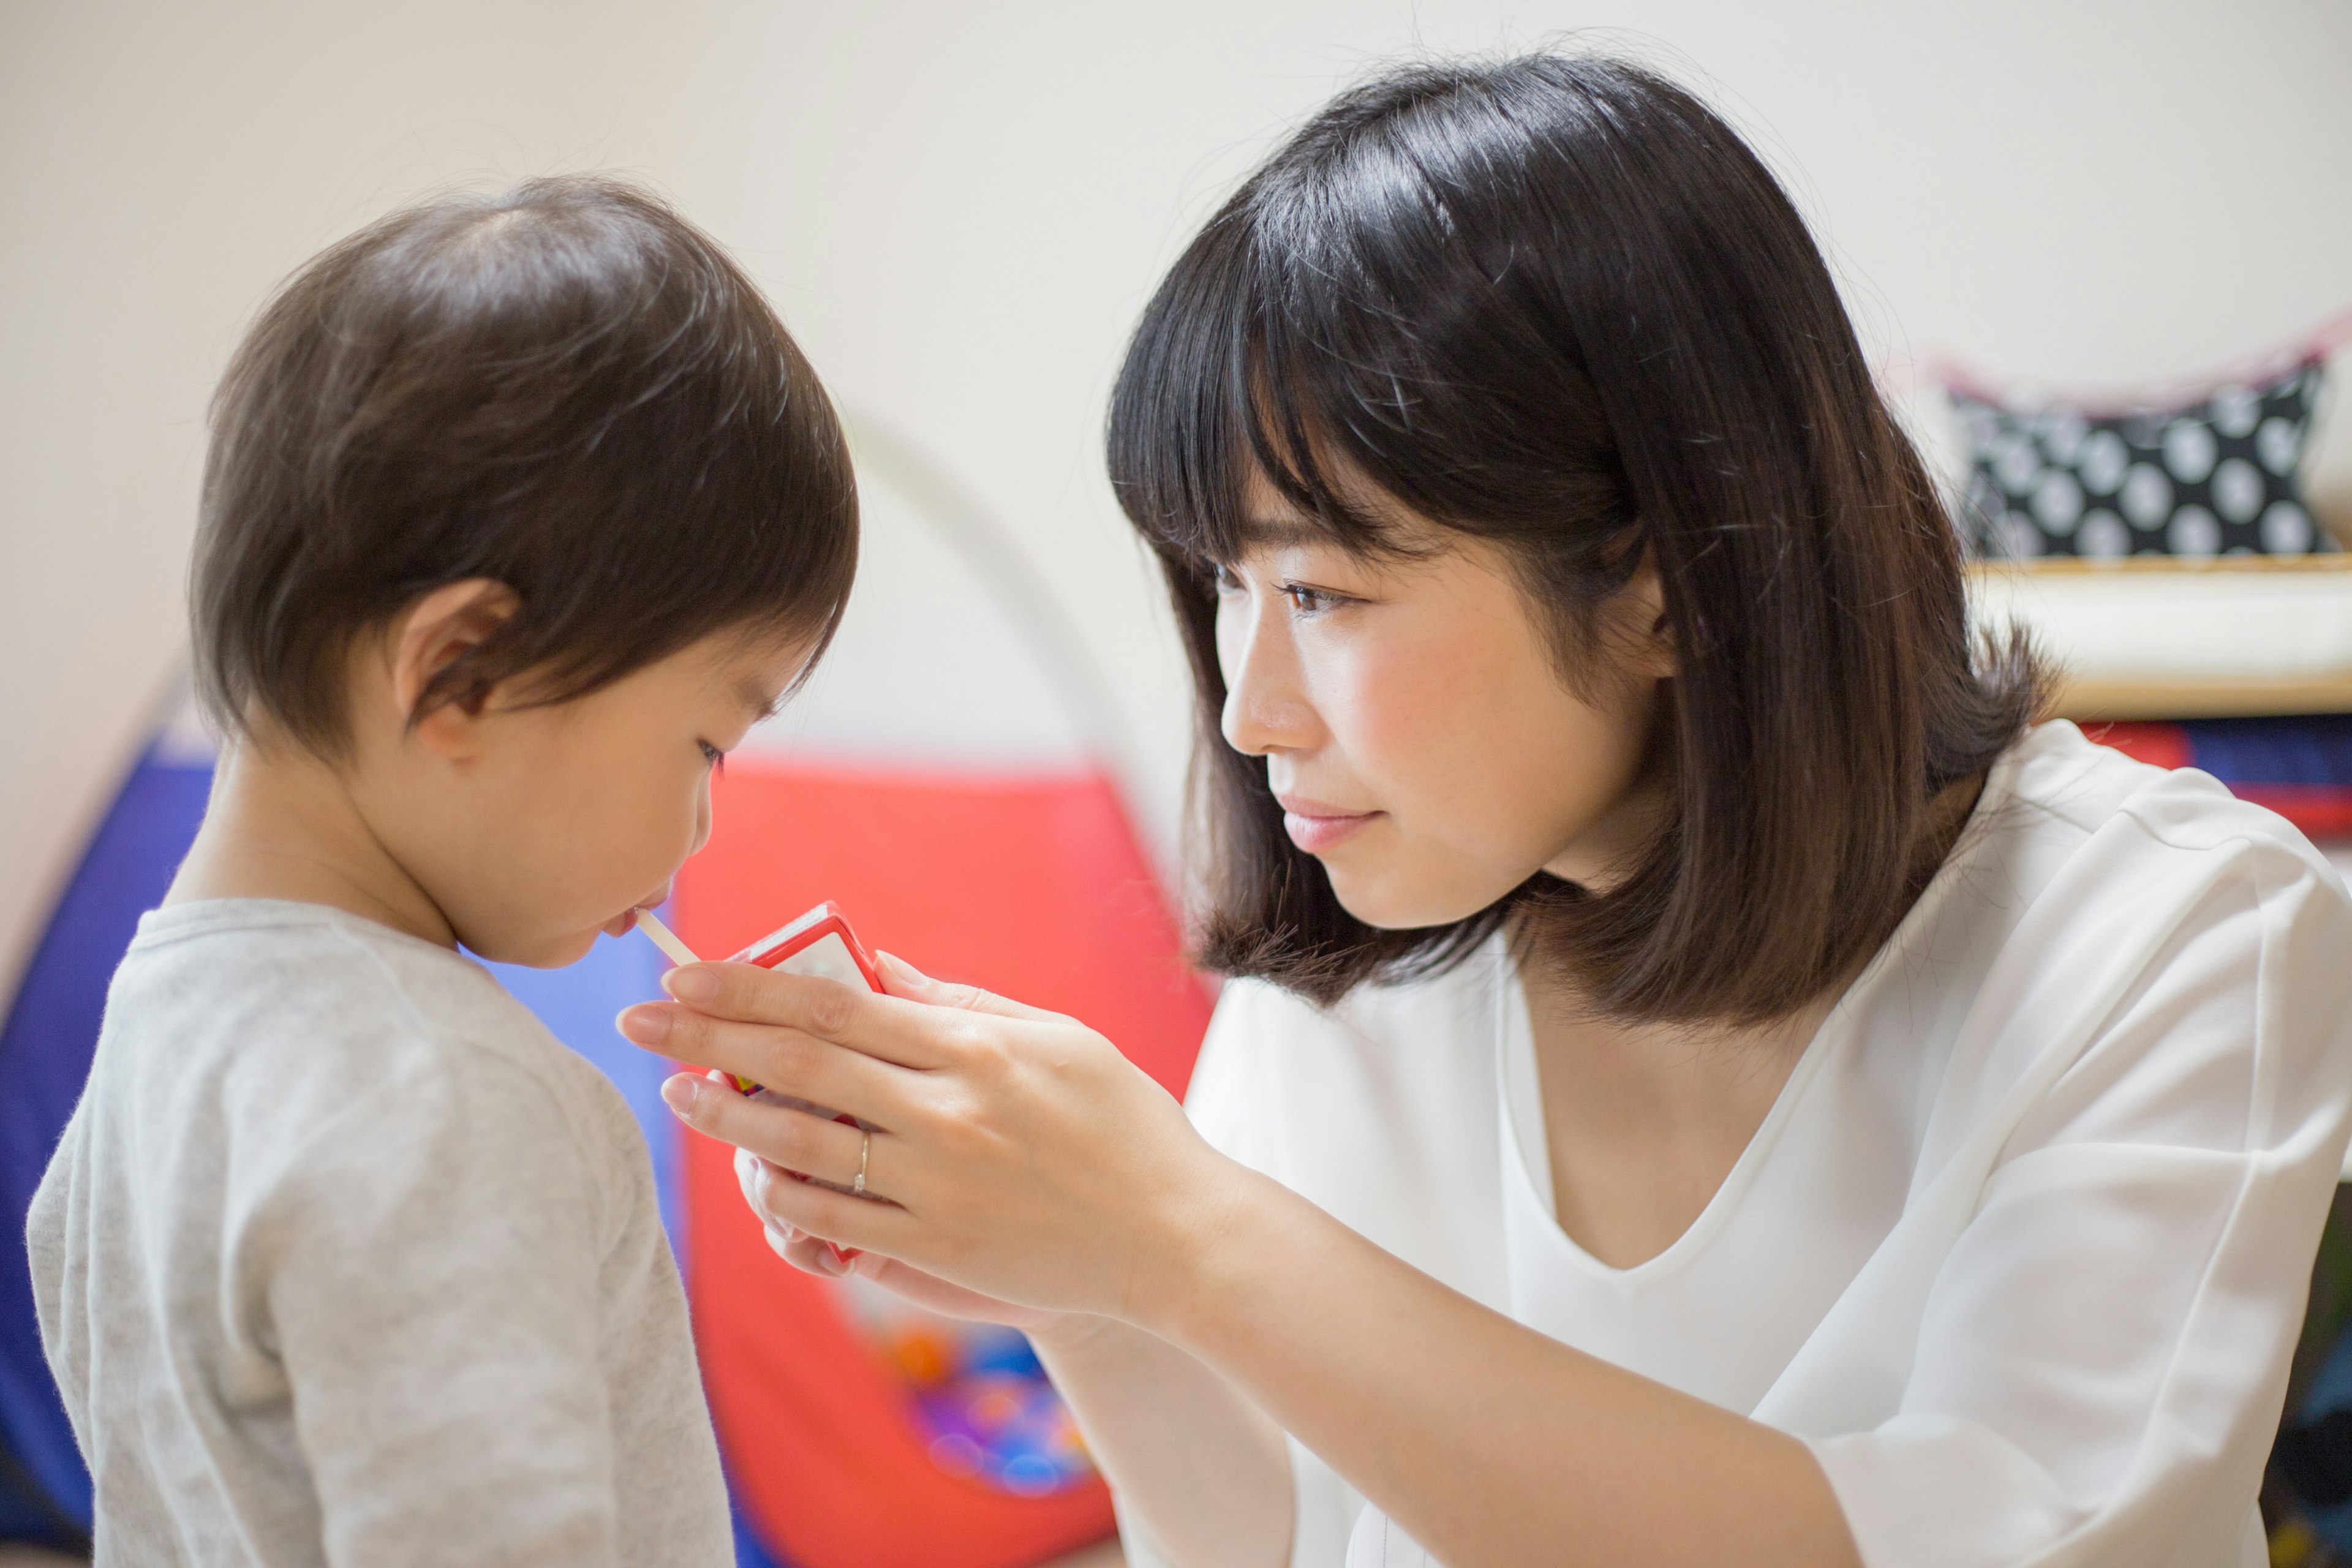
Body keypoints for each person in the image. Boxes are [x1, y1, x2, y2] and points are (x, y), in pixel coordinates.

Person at [622, 53, 2352, 1568]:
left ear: (1674, 580)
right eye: (1225, 584)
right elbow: (1268, 1544)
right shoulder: (1370, 971)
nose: (1244, 705)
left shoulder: (2186, 940)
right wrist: (1097, 1292)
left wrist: (1184, 1236)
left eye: (1327, 595)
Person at [27, 176, 858, 1566]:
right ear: (461, 670)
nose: (705, 822)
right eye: (709, 739)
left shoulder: (147, 1048)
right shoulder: (446, 1094)